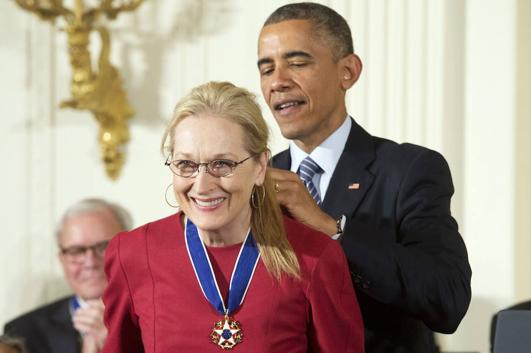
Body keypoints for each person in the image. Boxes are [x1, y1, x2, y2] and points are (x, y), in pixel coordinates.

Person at [257, 3, 472, 353]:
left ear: (348, 71)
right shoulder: (255, 179)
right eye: (266, 69)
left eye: (297, 63)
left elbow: (447, 299)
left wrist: (331, 229)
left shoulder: (409, 170)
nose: (277, 81)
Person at [101, 81, 365, 353]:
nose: (202, 186)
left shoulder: (314, 256)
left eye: (222, 164)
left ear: (260, 167)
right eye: (186, 164)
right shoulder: (131, 254)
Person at [4, 199, 131, 353]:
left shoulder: (156, 317)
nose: (90, 262)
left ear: (129, 248)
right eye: (76, 251)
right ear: (62, 260)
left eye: (104, 247)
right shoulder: (23, 331)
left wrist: (117, 342)